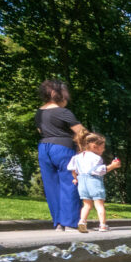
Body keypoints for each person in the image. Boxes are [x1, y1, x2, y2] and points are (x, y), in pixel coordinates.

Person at [35, 79, 87, 231]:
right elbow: (82, 132)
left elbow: (40, 131)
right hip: (63, 148)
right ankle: (70, 223)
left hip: (44, 148)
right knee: (70, 182)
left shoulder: (39, 112)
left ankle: (58, 223)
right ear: (60, 95)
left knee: (52, 186)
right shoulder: (63, 112)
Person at [68, 132, 121, 232]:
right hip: (94, 182)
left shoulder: (77, 157)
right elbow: (100, 171)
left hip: (82, 183)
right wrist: (113, 166)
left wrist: (75, 178)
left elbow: (73, 170)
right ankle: (103, 225)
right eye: (102, 147)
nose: (103, 149)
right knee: (99, 204)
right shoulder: (96, 158)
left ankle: (82, 222)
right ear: (94, 146)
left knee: (86, 205)